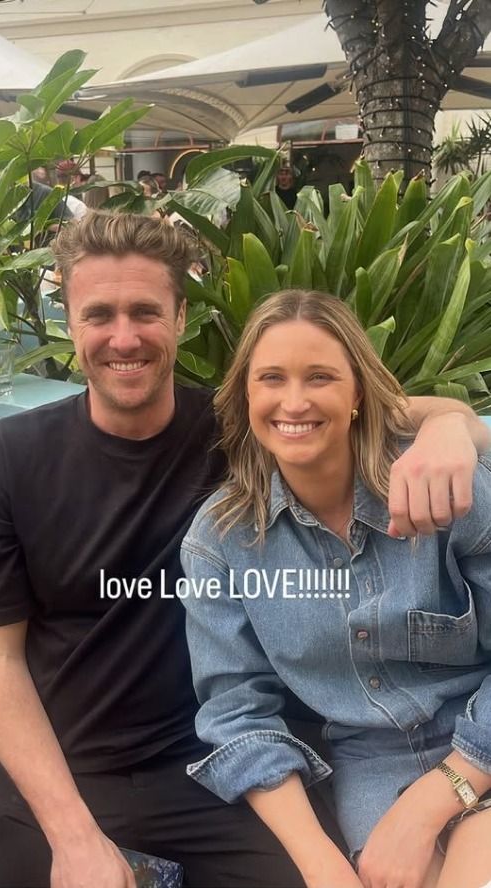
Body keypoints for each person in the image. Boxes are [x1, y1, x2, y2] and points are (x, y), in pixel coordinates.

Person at [0, 212, 488, 888]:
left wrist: (452, 427)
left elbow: (352, 404)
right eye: (99, 315)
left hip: (194, 761)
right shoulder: (10, 458)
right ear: (68, 321)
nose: (124, 337)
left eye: (145, 312)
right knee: (4, 855)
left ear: (181, 318)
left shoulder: (239, 430)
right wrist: (74, 836)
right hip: (65, 761)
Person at [180, 289, 491, 888]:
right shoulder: (220, 542)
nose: (294, 401)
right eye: (272, 378)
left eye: (320, 376)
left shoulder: (444, 488)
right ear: (246, 395)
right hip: (371, 770)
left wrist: (440, 795)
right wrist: (322, 866)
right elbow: (237, 714)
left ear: (357, 395)